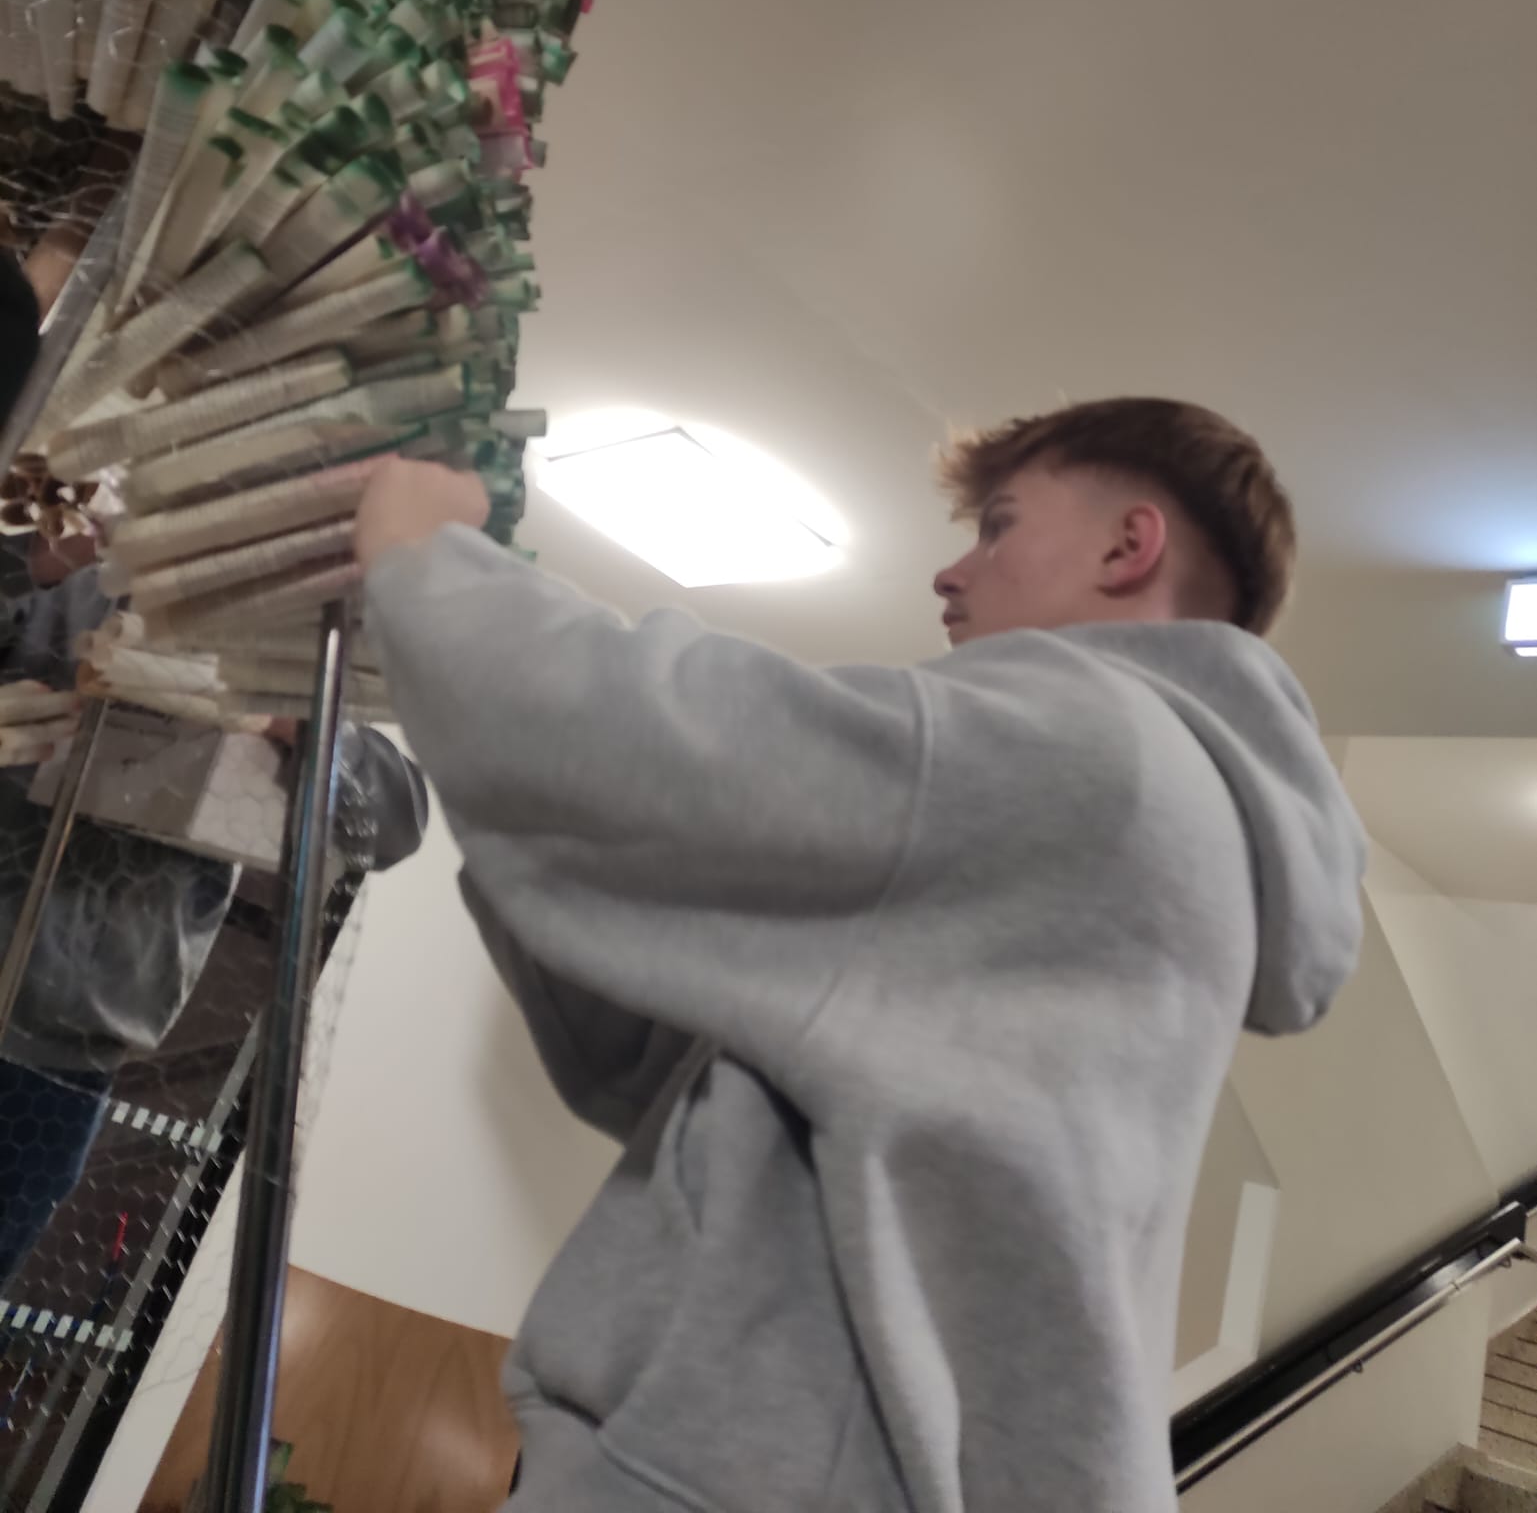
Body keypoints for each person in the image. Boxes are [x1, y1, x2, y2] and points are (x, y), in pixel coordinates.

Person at [354, 397, 1366, 1513]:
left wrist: (429, 556)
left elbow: (662, 738)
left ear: (1129, 546)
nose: (950, 572)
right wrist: (489, 770)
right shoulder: (1133, 832)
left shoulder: (1098, 744)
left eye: (998, 524)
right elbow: (658, 1069)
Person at [0, 249, 428, 1289]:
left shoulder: (303, 635)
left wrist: (289, 717)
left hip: (69, 1037)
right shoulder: (63, 543)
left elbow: (392, 818)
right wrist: (42, 562)